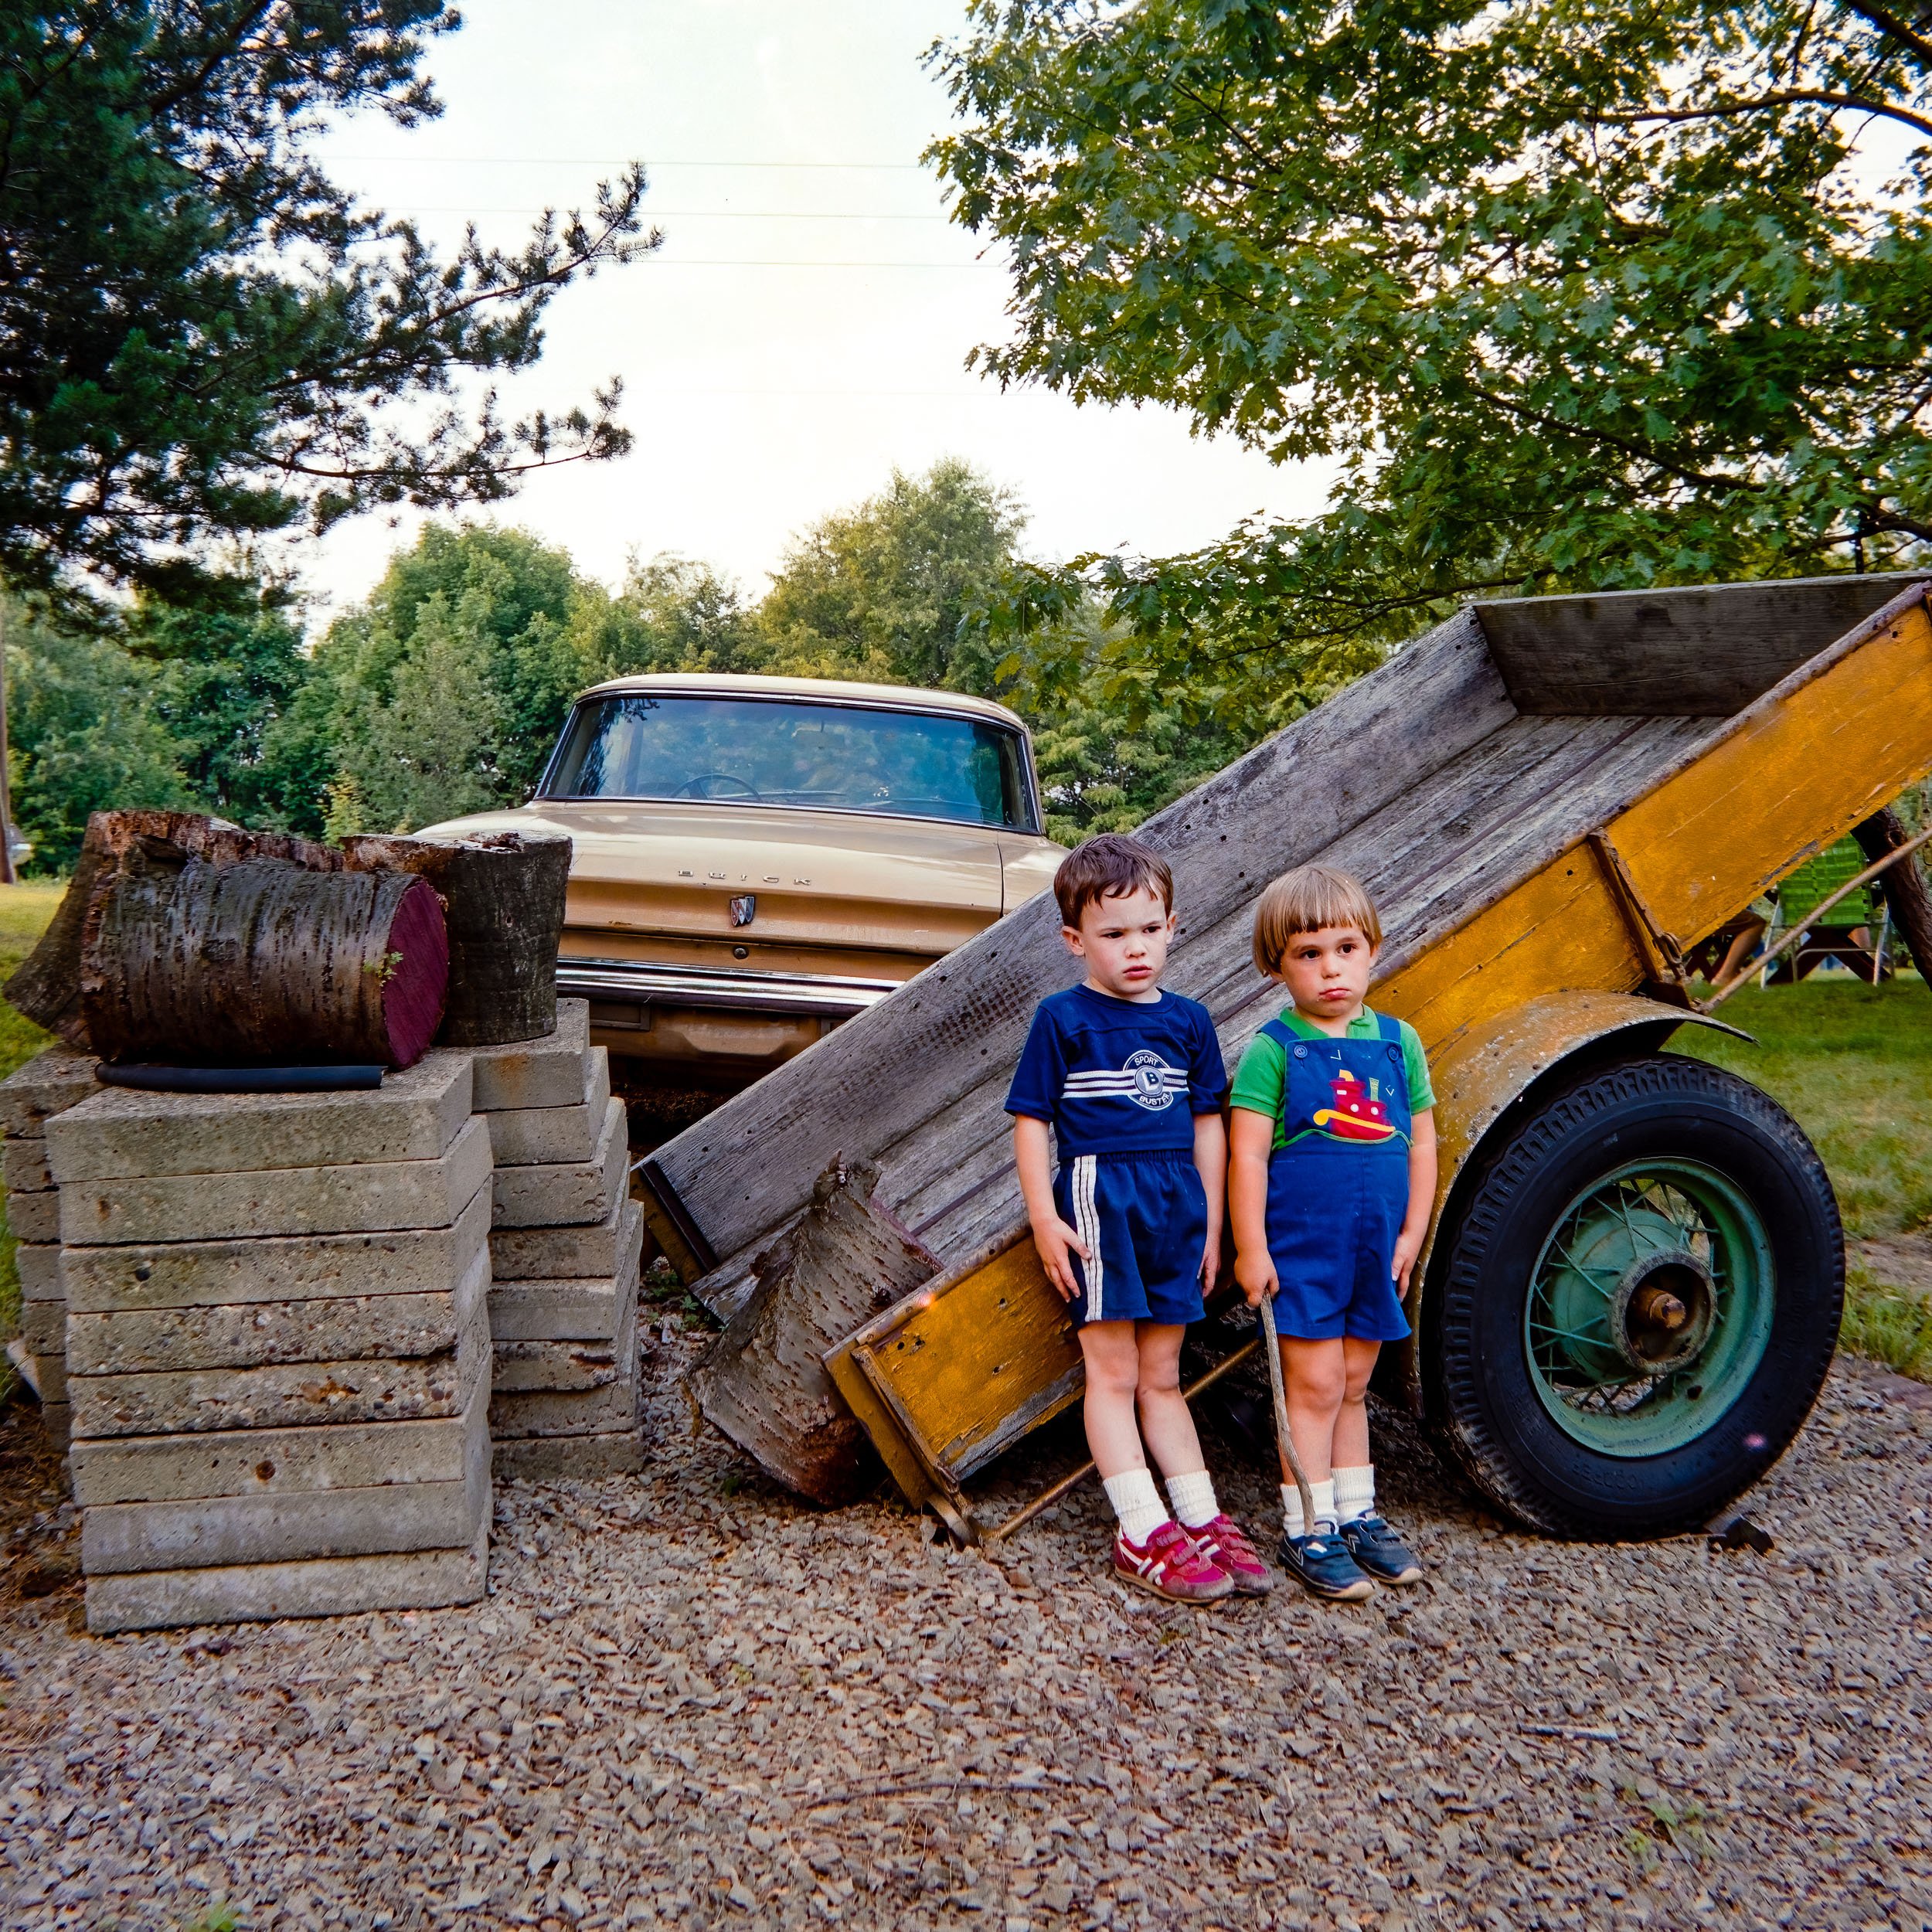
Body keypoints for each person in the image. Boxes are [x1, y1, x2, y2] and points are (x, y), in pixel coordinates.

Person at [1006, 833, 1270, 1604]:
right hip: (1100, 1199)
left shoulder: (1188, 1021)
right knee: (1114, 1373)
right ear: (1074, 940)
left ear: (1172, 925)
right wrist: (1044, 1219)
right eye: (1114, 934)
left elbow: (1209, 1124)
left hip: (1177, 1205)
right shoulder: (1063, 1019)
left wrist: (1214, 1223)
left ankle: (1199, 1517)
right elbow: (1030, 1121)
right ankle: (1139, 1527)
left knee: (1163, 1376)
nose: (1135, 949)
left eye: (1149, 929)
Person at [1228, 864, 1436, 1602]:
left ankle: (1357, 1513)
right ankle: (1305, 1523)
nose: (1330, 969)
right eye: (1308, 955)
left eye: (1346, 948)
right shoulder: (1274, 1050)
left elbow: (1420, 1143)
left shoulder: (1398, 1044)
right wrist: (1251, 1248)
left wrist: (1413, 1230)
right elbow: (1247, 1155)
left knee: (1354, 1382)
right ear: (1276, 964)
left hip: (1376, 1248)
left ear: (1372, 949)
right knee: (1312, 1383)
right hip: (1304, 1250)